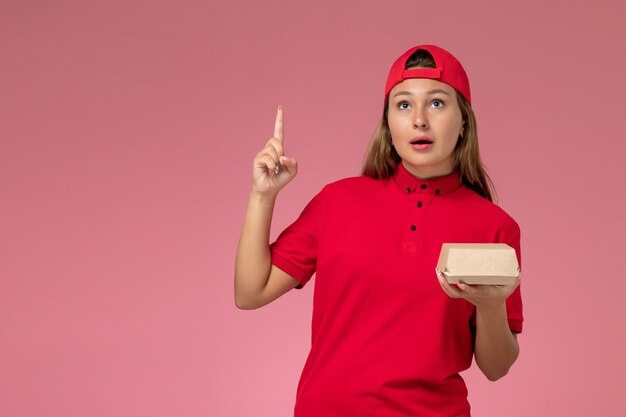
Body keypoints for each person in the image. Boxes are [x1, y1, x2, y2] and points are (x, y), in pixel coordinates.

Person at [234, 44, 523, 417]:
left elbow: (496, 367)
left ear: (464, 119)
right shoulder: (337, 201)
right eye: (403, 105)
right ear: (388, 122)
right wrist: (262, 195)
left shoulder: (494, 226)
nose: (419, 120)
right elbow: (249, 291)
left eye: (436, 103)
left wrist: (490, 304)